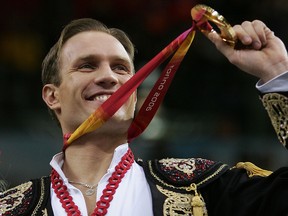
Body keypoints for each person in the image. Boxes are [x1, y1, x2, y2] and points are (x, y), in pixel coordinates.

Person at [0, 16, 287, 216]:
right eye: (87, 66)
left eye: (121, 68)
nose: (109, 77)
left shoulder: (199, 187)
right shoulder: (13, 207)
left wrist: (277, 73)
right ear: (53, 96)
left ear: (134, 95)